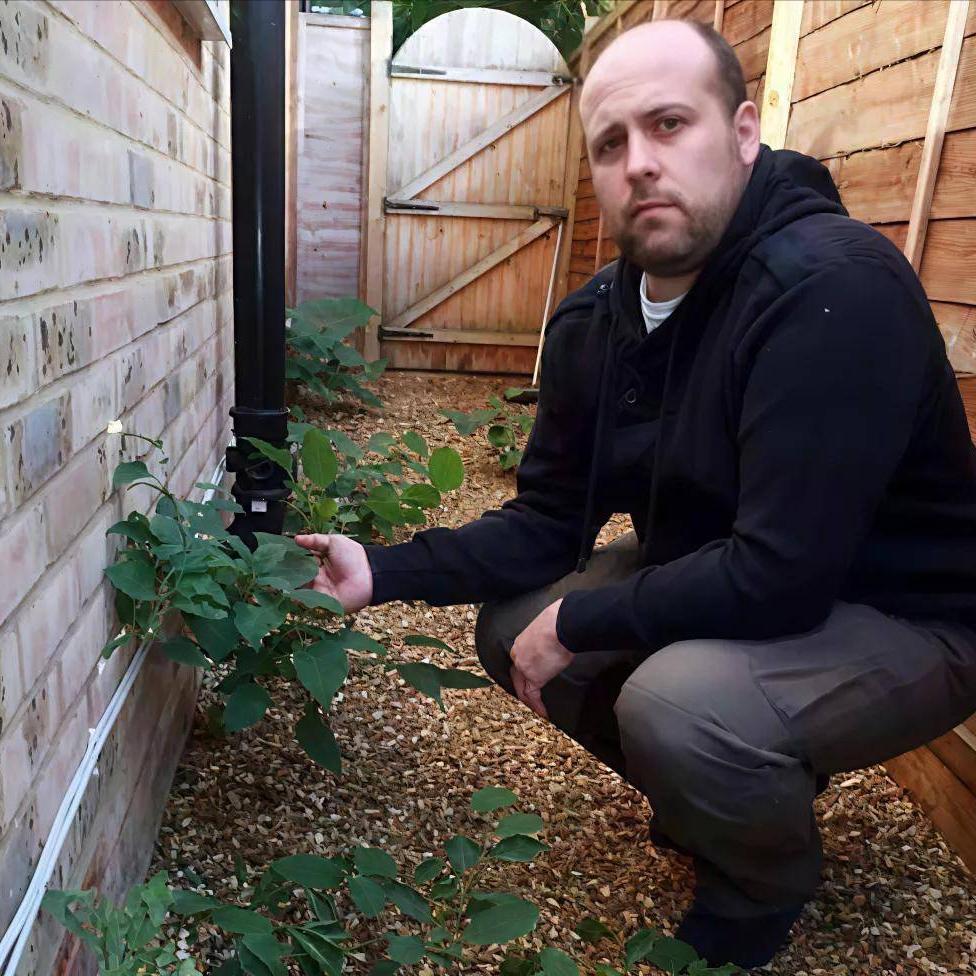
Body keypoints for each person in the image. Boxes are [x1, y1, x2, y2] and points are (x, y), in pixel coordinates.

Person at [296, 19, 976, 968]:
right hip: (738, 574)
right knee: (513, 623)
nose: (639, 164)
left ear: (743, 132)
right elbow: (545, 521)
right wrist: (384, 566)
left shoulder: (832, 290)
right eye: (611, 143)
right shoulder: (599, 318)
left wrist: (586, 621)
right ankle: (728, 790)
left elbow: (786, 573)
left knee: (680, 705)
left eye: (669, 125)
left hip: (908, 615)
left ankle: (760, 879)